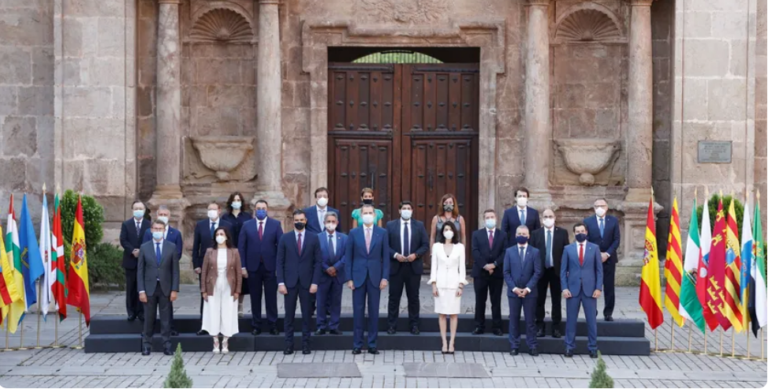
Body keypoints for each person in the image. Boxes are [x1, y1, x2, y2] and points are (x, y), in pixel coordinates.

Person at [346, 204, 390, 354]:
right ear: (360, 215)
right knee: (358, 311)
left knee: (373, 311)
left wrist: (385, 278)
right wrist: (349, 278)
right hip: (358, 277)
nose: (368, 215)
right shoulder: (353, 233)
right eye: (365, 213)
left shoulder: (382, 233)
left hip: (375, 278)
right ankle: (357, 344)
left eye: (370, 212)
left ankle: (372, 344)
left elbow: (386, 257)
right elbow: (348, 257)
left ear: (375, 215)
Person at [276, 209, 322, 355]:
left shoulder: (314, 238)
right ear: (292, 221)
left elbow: (318, 262)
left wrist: (315, 283)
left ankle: (306, 345)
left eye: (301, 220)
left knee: (307, 316)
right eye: (296, 220)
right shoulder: (285, 238)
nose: (299, 222)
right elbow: (280, 262)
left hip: (307, 283)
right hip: (289, 283)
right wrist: (280, 283)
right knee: (289, 316)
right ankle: (288, 345)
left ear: (306, 221)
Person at [239, 199, 283, 335]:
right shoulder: (247, 225)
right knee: (255, 297)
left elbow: (281, 247)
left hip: (270, 267)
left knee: (271, 297)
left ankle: (273, 324)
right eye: (258, 208)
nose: (261, 210)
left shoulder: (275, 225)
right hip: (253, 267)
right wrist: (243, 266)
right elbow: (241, 247)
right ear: (254, 210)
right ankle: (256, 325)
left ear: (267, 209)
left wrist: (278, 267)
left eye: (263, 208)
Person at [386, 201, 429, 335]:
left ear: (412, 210)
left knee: (413, 298)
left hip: (413, 267)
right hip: (396, 267)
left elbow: (425, 244)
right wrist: (395, 254)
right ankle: (392, 325)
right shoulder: (390, 225)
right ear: (399, 211)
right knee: (394, 298)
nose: (406, 210)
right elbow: (385, 245)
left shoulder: (419, 225)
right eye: (403, 208)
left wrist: (416, 255)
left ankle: (414, 325)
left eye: (408, 208)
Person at [138, 220, 180, 356]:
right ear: (151, 230)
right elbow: (140, 271)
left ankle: (167, 345)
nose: (157, 231)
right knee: (148, 319)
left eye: (160, 229)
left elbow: (175, 271)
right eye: (155, 229)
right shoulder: (144, 247)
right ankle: (146, 345)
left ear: (164, 230)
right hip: (149, 288)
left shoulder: (171, 247)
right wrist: (141, 290)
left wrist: (174, 289)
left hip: (165, 288)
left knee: (166, 319)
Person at [561, 223, 603, 358]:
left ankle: (592, 347)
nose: (580, 233)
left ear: (586, 232)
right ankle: (569, 347)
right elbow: (563, 271)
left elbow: (599, 270)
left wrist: (598, 288)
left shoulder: (594, 248)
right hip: (572, 290)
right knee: (571, 321)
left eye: (582, 231)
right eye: (577, 231)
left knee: (591, 321)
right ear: (574, 233)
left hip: (590, 290)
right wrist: (564, 288)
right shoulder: (568, 249)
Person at [141, 205, 183, 336]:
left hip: (167, 274)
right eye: (161, 214)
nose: (163, 217)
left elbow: (178, 252)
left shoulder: (175, 233)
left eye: (165, 215)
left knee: (167, 308)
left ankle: (169, 329)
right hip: (151, 276)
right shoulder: (148, 233)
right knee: (150, 310)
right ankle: (148, 333)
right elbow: (145, 252)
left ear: (169, 217)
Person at [192, 202, 232, 335]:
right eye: (209, 209)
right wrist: (196, 264)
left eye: (214, 209)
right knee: (206, 296)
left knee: (222, 296)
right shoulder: (200, 225)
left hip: (223, 265)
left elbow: (232, 246)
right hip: (205, 267)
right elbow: (196, 246)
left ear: (219, 210)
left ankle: (222, 327)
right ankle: (205, 326)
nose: (211, 211)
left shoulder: (227, 225)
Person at [200, 227, 242, 354]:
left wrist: (237, 291)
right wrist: (204, 290)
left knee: (228, 311)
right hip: (213, 285)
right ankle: (215, 340)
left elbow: (238, 272)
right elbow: (204, 272)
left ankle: (225, 340)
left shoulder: (234, 252)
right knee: (213, 311)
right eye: (217, 234)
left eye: (222, 234)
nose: (219, 236)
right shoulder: (210, 251)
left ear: (227, 236)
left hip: (229, 285)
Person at [529, 208, 569, 338]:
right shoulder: (535, 234)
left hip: (556, 271)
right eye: (545, 216)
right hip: (540, 271)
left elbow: (566, 252)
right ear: (541, 219)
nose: (548, 218)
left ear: (555, 217)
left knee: (556, 300)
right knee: (539, 300)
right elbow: (532, 254)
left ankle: (556, 327)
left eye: (550, 216)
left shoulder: (562, 233)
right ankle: (540, 326)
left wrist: (566, 270)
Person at [428, 222, 467, 354]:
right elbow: (434, 266)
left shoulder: (460, 247)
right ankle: (444, 342)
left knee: (454, 314)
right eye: (446, 229)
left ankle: (452, 343)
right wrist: (433, 284)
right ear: (442, 231)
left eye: (450, 229)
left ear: (454, 231)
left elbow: (462, 267)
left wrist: (461, 285)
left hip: (454, 284)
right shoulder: (437, 247)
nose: (448, 231)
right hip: (440, 284)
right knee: (442, 314)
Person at [503, 225, 542, 356]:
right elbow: (506, 272)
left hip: (529, 293)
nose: (522, 236)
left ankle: (532, 345)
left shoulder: (535, 252)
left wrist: (527, 288)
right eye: (519, 233)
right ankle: (514, 345)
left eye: (524, 234)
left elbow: (537, 272)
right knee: (514, 319)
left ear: (529, 236)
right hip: (513, 292)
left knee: (530, 320)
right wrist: (514, 288)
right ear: (515, 235)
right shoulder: (509, 251)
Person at [470, 209, 507, 336]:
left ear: (496, 218)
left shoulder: (502, 235)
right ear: (484, 219)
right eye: (487, 217)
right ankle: (479, 326)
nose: (490, 219)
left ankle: (497, 327)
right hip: (480, 272)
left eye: (492, 217)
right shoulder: (476, 234)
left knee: (496, 301)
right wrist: (485, 265)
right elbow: (475, 251)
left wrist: (495, 264)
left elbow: (504, 252)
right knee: (480, 301)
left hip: (497, 273)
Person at [583, 198, 620, 321]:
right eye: (597, 206)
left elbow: (616, 240)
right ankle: (592, 311)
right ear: (593, 208)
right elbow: (585, 239)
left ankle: (608, 312)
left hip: (609, 259)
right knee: (592, 286)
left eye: (602, 205)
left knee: (609, 287)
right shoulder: (587, 221)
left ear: (607, 207)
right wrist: (597, 254)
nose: (599, 208)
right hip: (593, 259)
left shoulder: (613, 221)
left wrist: (607, 254)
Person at [221, 192, 252, 316]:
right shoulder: (225, 217)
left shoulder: (247, 216)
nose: (236, 202)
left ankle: (239, 304)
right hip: (229, 250)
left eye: (238, 199)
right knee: (229, 278)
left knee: (242, 280)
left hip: (243, 251)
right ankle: (230, 304)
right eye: (234, 199)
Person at [316, 211, 347, 335]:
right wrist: (326, 268)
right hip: (323, 274)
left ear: (337, 223)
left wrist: (336, 267)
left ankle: (334, 325)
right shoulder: (317, 237)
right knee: (321, 301)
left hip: (337, 274)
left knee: (336, 301)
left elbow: (346, 255)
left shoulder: (344, 238)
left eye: (333, 222)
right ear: (324, 223)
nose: (331, 224)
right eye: (328, 222)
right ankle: (321, 325)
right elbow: (316, 256)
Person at [120, 200, 151, 322]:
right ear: (132, 210)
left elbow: (149, 240)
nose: (138, 210)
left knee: (142, 287)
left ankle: (141, 312)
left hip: (144, 261)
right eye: (136, 208)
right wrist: (132, 250)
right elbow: (123, 240)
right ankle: (131, 312)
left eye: (140, 208)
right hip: (130, 260)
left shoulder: (149, 224)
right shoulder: (126, 224)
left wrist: (141, 251)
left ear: (144, 210)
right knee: (131, 288)